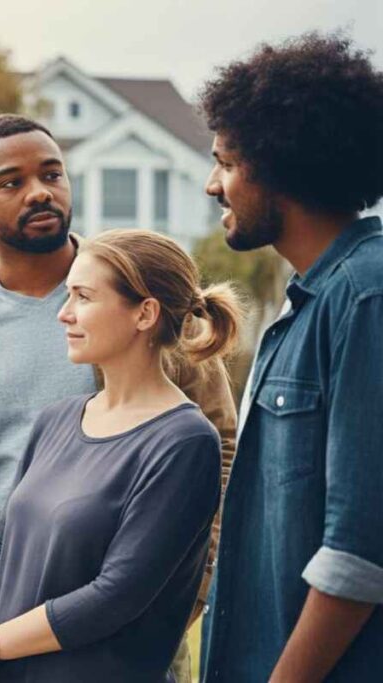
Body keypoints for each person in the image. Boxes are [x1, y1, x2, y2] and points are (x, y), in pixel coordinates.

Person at [0, 114, 237, 680]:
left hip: (126, 633)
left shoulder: (142, 300)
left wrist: (184, 594)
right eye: (11, 182)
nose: (39, 192)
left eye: (52, 174)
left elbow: (218, 451)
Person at [0, 228, 241, 682]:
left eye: (83, 297)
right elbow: (3, 545)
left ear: (144, 314)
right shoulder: (56, 421)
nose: (63, 314)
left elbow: (114, 596)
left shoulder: (184, 441)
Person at [198, 32, 383, 682]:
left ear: (279, 163)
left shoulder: (368, 296)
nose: (211, 184)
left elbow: (361, 549)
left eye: (224, 162)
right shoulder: (305, 301)